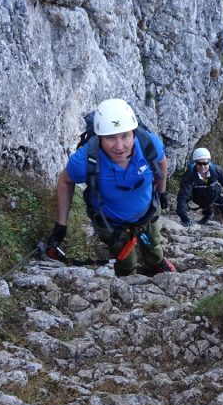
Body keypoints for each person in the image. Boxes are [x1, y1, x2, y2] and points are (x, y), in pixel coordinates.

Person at [45, 98, 176, 276]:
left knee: (153, 243)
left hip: (148, 212)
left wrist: (162, 192)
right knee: (125, 260)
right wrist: (61, 225)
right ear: (99, 138)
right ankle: (126, 274)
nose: (119, 146)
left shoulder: (148, 143)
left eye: (125, 136)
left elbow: (161, 161)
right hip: (112, 224)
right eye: (110, 138)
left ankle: (156, 262)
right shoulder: (86, 159)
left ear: (134, 133)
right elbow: (65, 181)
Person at [176, 147, 223, 229]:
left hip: (214, 193)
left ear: (209, 162)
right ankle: (207, 214)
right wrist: (184, 217)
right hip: (197, 197)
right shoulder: (189, 176)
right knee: (202, 202)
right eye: (199, 164)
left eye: (205, 163)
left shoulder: (216, 170)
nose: (202, 166)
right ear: (195, 162)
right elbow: (183, 196)